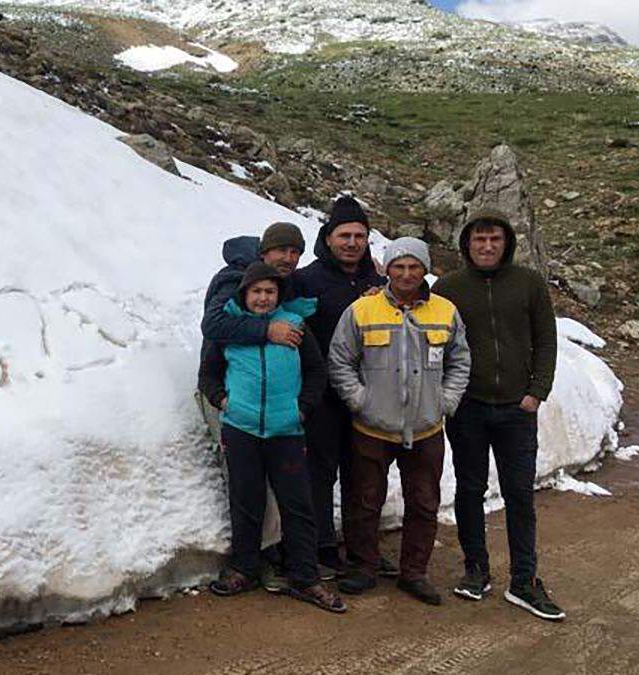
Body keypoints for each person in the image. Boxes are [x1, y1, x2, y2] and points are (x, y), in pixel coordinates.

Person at [433, 209, 565, 621]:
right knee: (469, 490)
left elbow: (546, 340)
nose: (487, 246)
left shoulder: (528, 283)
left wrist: (536, 392)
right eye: (479, 240)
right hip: (468, 408)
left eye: (494, 239)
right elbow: (434, 340)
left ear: (506, 242)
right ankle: (476, 569)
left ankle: (524, 580)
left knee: (520, 495)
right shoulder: (449, 287)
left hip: (516, 408)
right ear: (466, 244)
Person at [327, 237, 471, 605]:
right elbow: (340, 360)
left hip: (425, 428)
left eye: (414, 267)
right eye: (399, 266)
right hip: (372, 427)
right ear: (386, 269)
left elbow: (460, 361)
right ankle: (363, 566)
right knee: (364, 501)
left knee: (423, 502)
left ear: (425, 270)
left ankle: (414, 572)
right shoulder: (362, 310)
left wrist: (447, 400)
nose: (406, 274)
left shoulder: (444, 311)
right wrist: (360, 400)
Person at [203, 262, 346, 613]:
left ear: (278, 295)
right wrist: (225, 402)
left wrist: (302, 408)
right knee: (246, 499)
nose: (263, 298)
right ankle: (244, 568)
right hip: (242, 429)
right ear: (245, 294)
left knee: (297, 504)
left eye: (270, 291)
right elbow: (208, 374)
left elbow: (316, 370)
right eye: (257, 291)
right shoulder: (231, 330)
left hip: (287, 430)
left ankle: (304, 577)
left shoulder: (295, 326)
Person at [197, 221, 307, 591]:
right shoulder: (234, 279)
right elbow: (213, 325)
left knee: (274, 485)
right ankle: (255, 560)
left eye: (295, 252)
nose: (288, 259)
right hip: (233, 391)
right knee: (246, 483)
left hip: (273, 401)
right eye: (281, 251)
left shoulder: (278, 285)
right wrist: (266, 331)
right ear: (264, 252)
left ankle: (267, 555)